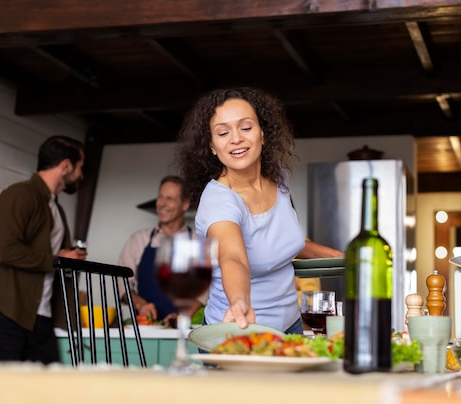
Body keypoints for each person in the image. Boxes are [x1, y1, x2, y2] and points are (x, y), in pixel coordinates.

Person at [178, 87, 343, 334]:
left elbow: (287, 242)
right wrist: (240, 302)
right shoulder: (218, 200)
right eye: (223, 132)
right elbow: (232, 257)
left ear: (263, 134)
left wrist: (346, 258)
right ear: (212, 146)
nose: (236, 138)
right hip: (240, 331)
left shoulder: (279, 179)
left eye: (245, 128)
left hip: (291, 326)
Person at [0, 135, 88, 364]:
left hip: (39, 319)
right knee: (2, 397)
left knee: (46, 395)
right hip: (4, 314)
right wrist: (58, 259)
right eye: (80, 167)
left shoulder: (56, 209)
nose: (81, 175)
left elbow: (55, 263)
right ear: (66, 166)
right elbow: (5, 250)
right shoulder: (20, 194)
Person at [117, 175, 204, 323]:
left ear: (185, 204)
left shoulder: (198, 242)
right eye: (160, 197)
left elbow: (207, 291)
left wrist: (183, 317)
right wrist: (141, 304)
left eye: (169, 199)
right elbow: (121, 284)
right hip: (148, 323)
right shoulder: (138, 240)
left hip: (189, 325)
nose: (162, 203)